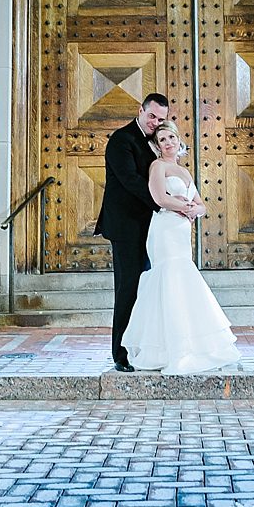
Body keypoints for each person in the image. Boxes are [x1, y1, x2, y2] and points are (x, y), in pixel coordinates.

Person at [122, 119, 240, 374]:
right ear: (157, 145)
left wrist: (194, 209)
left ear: (178, 141)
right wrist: (184, 207)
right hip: (164, 229)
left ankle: (192, 345)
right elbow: (158, 197)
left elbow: (201, 204)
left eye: (171, 138)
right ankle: (164, 348)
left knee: (183, 279)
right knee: (169, 278)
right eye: (162, 139)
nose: (168, 143)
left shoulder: (184, 172)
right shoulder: (157, 166)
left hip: (181, 231)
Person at [95, 94, 196, 371]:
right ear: (140, 110)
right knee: (128, 288)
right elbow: (131, 181)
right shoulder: (121, 140)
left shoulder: (156, 142)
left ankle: (146, 347)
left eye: (161, 119)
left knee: (149, 289)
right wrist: (167, 204)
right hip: (126, 225)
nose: (155, 122)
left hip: (153, 228)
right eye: (151, 116)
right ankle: (121, 353)